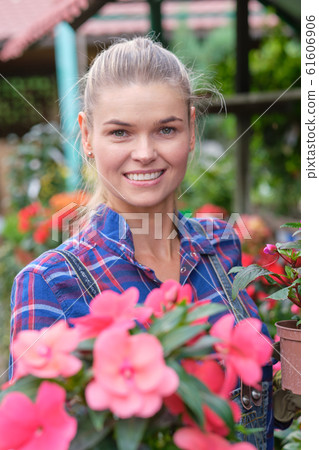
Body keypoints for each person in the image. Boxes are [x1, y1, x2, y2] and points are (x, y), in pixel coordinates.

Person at [10, 36, 297, 448]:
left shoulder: (222, 248)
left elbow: (258, 408)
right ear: (87, 137)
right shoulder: (49, 282)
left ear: (192, 130)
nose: (144, 153)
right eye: (120, 132)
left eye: (166, 129)